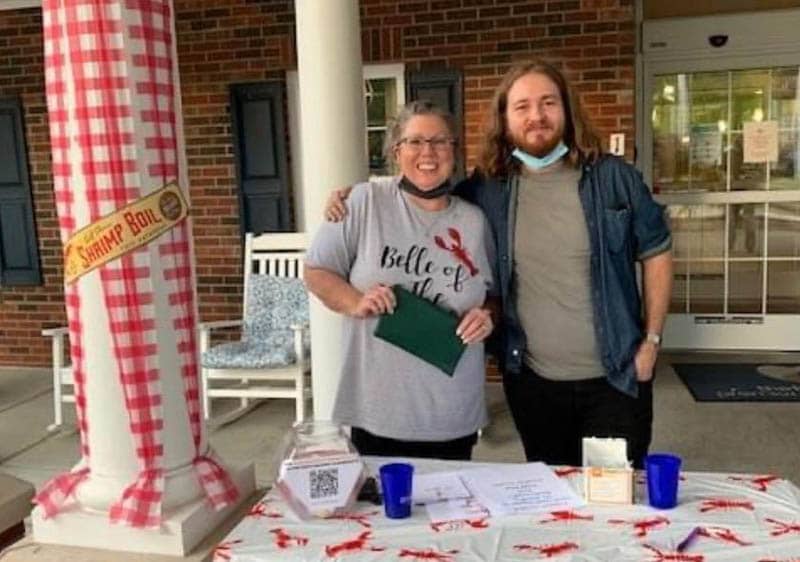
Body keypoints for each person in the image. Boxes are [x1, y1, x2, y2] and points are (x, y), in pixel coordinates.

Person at [325, 60, 673, 469]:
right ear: (505, 119)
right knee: (553, 500)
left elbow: (657, 252)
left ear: (567, 109)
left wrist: (651, 341)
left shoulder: (615, 179)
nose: (537, 116)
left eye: (548, 102)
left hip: (616, 376)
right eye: (522, 106)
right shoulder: (488, 189)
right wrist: (351, 197)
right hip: (533, 383)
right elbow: (426, 185)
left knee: (613, 497)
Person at [304, 100, 496, 461]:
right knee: (385, 511)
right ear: (396, 151)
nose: (428, 152)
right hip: (380, 407)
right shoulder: (362, 202)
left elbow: (492, 295)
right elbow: (317, 271)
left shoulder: (474, 220)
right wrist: (355, 302)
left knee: (449, 514)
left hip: (453, 408)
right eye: (415, 141)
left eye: (440, 141)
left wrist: (487, 315)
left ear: (454, 151)